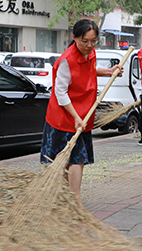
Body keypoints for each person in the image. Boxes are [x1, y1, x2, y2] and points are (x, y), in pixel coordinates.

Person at [40, 19, 123, 203]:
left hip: (82, 116)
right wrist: (76, 117)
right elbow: (60, 93)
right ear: (75, 37)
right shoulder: (66, 61)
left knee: (77, 159)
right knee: (62, 162)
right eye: (85, 41)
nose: (89, 45)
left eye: (93, 41)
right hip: (63, 118)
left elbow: (90, 70)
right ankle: (68, 200)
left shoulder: (90, 54)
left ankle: (71, 199)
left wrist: (110, 71)